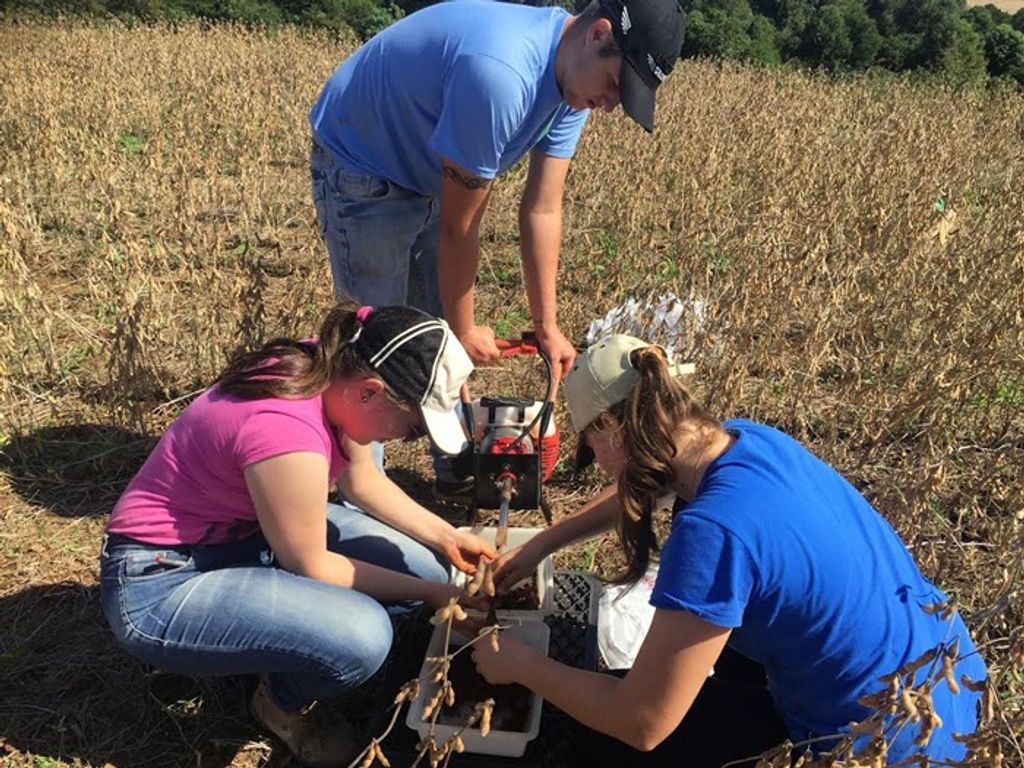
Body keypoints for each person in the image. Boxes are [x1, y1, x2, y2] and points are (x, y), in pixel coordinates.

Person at [472, 335, 987, 767]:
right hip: (950, 674)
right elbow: (646, 483)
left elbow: (642, 722)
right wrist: (542, 545)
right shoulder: (748, 440)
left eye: (592, 448)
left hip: (888, 741)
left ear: (612, 429)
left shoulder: (712, 534)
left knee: (603, 738)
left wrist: (520, 665)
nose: (599, 465)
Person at [309, 0, 685, 497]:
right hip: (364, 156)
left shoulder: (573, 89)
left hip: (426, 166)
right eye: (617, 84)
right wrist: (462, 331)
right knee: (375, 338)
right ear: (598, 34)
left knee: (434, 324)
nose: (611, 103)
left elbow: (542, 210)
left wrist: (548, 327)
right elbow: (459, 228)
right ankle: (355, 488)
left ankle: (455, 463)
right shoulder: (500, 75)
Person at [99, 303, 496, 768]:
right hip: (161, 581)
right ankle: (280, 702)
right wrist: (434, 594)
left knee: (424, 564)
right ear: (370, 393)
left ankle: (273, 639)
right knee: (362, 636)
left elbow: (362, 482)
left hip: (241, 540)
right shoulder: (287, 431)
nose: (408, 439)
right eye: (411, 430)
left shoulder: (333, 367)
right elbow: (312, 564)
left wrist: (446, 537)